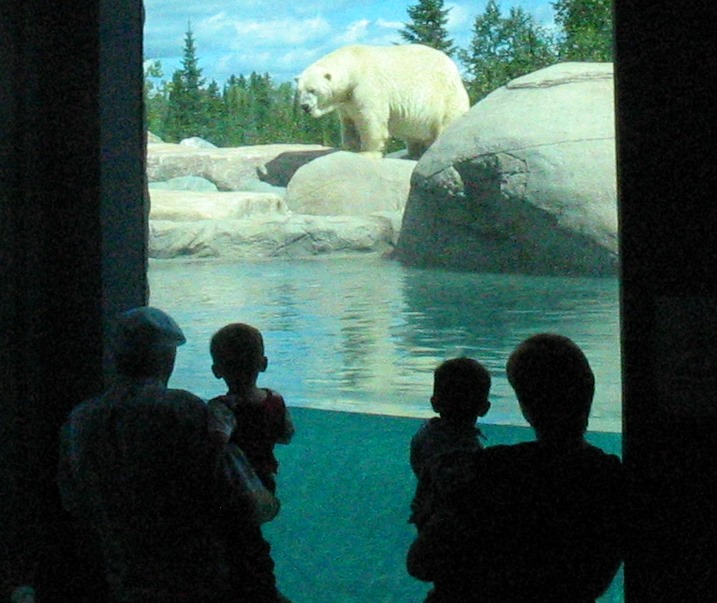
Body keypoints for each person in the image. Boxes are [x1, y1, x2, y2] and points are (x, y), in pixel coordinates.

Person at [57, 306, 281, 603]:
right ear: (167, 357)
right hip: (197, 582)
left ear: (115, 356)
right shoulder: (184, 410)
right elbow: (246, 501)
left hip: (122, 581)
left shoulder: (80, 419)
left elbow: (73, 501)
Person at [407, 334, 624, 603]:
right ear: (588, 390)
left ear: (526, 405)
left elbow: (421, 563)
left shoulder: (490, 471)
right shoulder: (612, 477)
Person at [207, 322, 294, 495]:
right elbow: (285, 436)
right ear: (263, 364)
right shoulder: (275, 399)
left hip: (232, 483)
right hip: (264, 482)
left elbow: (215, 447)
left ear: (217, 371)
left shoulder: (221, 408)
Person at [408, 357, 491, 528]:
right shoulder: (462, 448)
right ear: (484, 408)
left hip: (430, 526)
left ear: (434, 403)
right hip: (452, 530)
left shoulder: (426, 435)